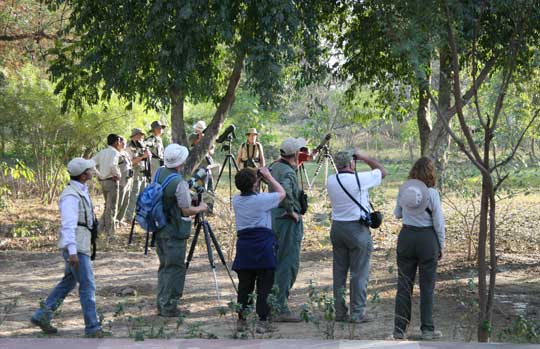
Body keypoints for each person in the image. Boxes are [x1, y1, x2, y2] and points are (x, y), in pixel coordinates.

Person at [30, 158, 108, 337]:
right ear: (82, 175)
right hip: (77, 247)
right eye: (88, 170)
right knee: (88, 285)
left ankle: (42, 315)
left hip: (80, 244)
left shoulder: (79, 191)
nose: (91, 172)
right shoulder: (71, 195)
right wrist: (72, 252)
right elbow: (68, 224)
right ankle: (93, 327)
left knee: (68, 283)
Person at [327, 149, 387, 323]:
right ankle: (357, 312)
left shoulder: (332, 180)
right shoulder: (359, 179)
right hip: (356, 229)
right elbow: (383, 172)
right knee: (359, 272)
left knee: (339, 272)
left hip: (337, 227)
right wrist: (365, 157)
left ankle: (339, 312)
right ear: (351, 163)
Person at [393, 157, 445, 340]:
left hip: (406, 237)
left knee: (404, 286)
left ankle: (399, 329)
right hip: (427, 239)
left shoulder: (404, 190)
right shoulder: (432, 193)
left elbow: (397, 214)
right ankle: (427, 330)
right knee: (427, 287)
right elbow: (438, 223)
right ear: (431, 173)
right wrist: (441, 245)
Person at [154, 144, 208, 317]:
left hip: (159, 227)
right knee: (175, 268)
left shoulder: (159, 173)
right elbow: (186, 210)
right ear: (181, 161)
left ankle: (162, 303)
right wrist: (201, 207)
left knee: (164, 267)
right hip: (174, 230)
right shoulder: (179, 183)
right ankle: (170, 307)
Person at [232, 167, 286, 331]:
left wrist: (255, 181)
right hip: (263, 246)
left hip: (245, 246)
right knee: (264, 286)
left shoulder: (236, 200)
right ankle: (263, 320)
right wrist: (269, 177)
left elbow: (250, 191)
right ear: (256, 184)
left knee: (245, 285)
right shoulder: (262, 200)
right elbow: (282, 193)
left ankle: (242, 319)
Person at [267, 137, 306, 322]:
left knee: (277, 261)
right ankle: (280, 307)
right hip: (286, 220)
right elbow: (285, 192)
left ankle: (273, 302)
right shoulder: (287, 172)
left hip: (274, 218)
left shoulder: (276, 166)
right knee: (288, 263)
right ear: (296, 153)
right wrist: (292, 211)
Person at [92, 134, 122, 239]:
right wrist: (118, 175)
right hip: (111, 181)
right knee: (112, 207)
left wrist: (99, 174)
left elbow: (91, 163)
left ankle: (99, 229)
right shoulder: (115, 152)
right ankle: (111, 234)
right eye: (119, 141)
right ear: (115, 142)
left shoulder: (102, 152)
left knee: (107, 207)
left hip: (103, 181)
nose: (120, 143)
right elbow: (112, 165)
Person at [125, 128, 151, 222]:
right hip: (135, 175)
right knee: (133, 196)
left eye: (142, 135)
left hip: (143, 174)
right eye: (139, 134)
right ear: (134, 135)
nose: (141, 137)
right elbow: (130, 162)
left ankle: (139, 216)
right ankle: (129, 216)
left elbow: (146, 159)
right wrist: (142, 157)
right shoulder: (129, 146)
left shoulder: (142, 146)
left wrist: (148, 156)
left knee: (142, 196)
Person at [115, 136, 133, 225]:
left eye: (125, 142)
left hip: (128, 180)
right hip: (120, 181)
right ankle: (113, 221)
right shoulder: (115, 154)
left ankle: (120, 219)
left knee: (126, 202)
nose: (124, 144)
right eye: (122, 142)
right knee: (119, 202)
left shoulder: (125, 153)